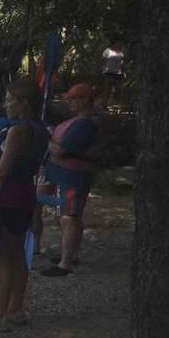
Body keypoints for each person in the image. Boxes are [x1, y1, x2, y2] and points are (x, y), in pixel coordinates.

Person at [0, 79, 48, 331]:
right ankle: (16, 309)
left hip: (8, 196)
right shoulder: (41, 130)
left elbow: (2, 172)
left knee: (4, 258)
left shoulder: (18, 132)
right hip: (26, 195)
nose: (5, 104)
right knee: (18, 254)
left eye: (9, 99)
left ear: (23, 102)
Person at [38, 83, 102, 277]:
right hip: (62, 174)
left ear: (84, 100)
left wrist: (44, 138)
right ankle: (70, 254)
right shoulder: (78, 121)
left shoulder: (85, 124)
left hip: (73, 176)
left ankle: (65, 264)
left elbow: (61, 149)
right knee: (67, 216)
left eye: (72, 99)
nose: (68, 102)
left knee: (70, 218)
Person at [101, 41, 125, 107]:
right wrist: (103, 69)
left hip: (117, 73)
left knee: (118, 89)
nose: (119, 45)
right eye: (118, 43)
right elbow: (102, 60)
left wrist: (123, 72)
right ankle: (104, 104)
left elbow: (122, 63)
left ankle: (114, 102)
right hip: (108, 72)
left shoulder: (121, 53)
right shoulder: (107, 51)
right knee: (108, 89)